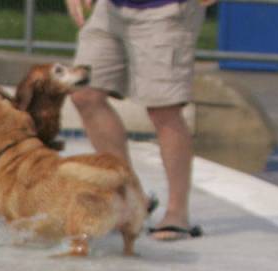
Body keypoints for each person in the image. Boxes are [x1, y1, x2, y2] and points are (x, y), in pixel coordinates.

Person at [66, 0, 217, 241]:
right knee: (85, 94)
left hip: (165, 10)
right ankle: (133, 197)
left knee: (163, 108)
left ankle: (177, 213)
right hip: (110, 8)